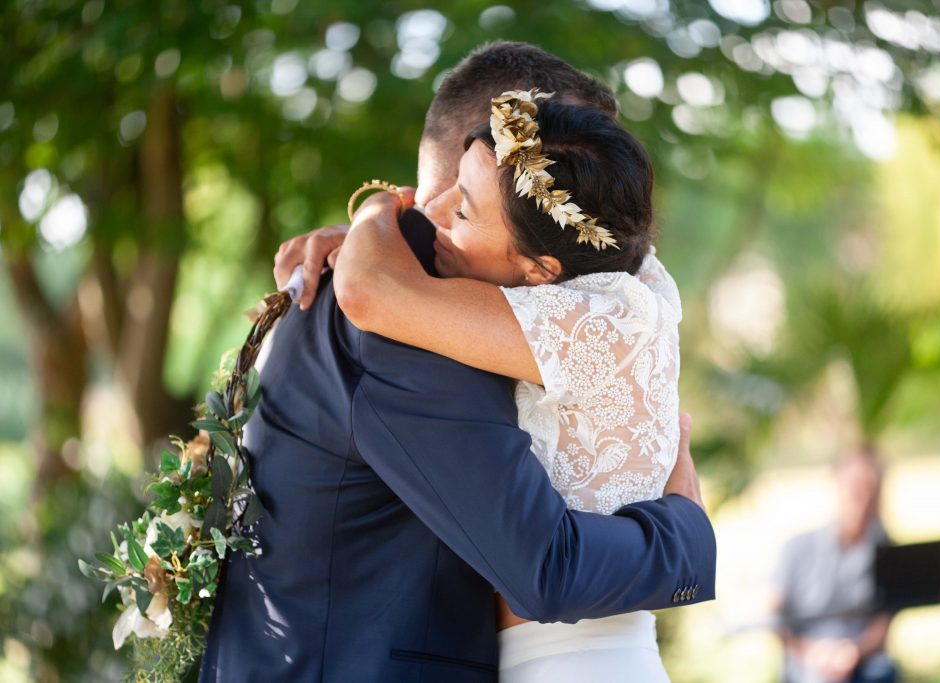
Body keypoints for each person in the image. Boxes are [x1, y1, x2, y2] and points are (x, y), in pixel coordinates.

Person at [201, 42, 716, 683]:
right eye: (560, 155)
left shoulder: (589, 296)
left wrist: (375, 216)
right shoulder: (400, 321)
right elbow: (544, 566)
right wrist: (686, 537)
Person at [327, 86, 682, 682]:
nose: (432, 215)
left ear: (543, 270)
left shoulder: (598, 322)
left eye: (462, 210)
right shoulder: (621, 271)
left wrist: (371, 213)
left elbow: (368, 292)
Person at [770, 449, 897, 683]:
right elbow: (772, 613)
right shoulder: (797, 548)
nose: (864, 499)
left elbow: (884, 625)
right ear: (838, 486)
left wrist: (854, 653)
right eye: (856, 488)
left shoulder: (886, 550)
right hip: (808, 658)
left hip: (863, 658)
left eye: (872, 490)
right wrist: (809, 653)